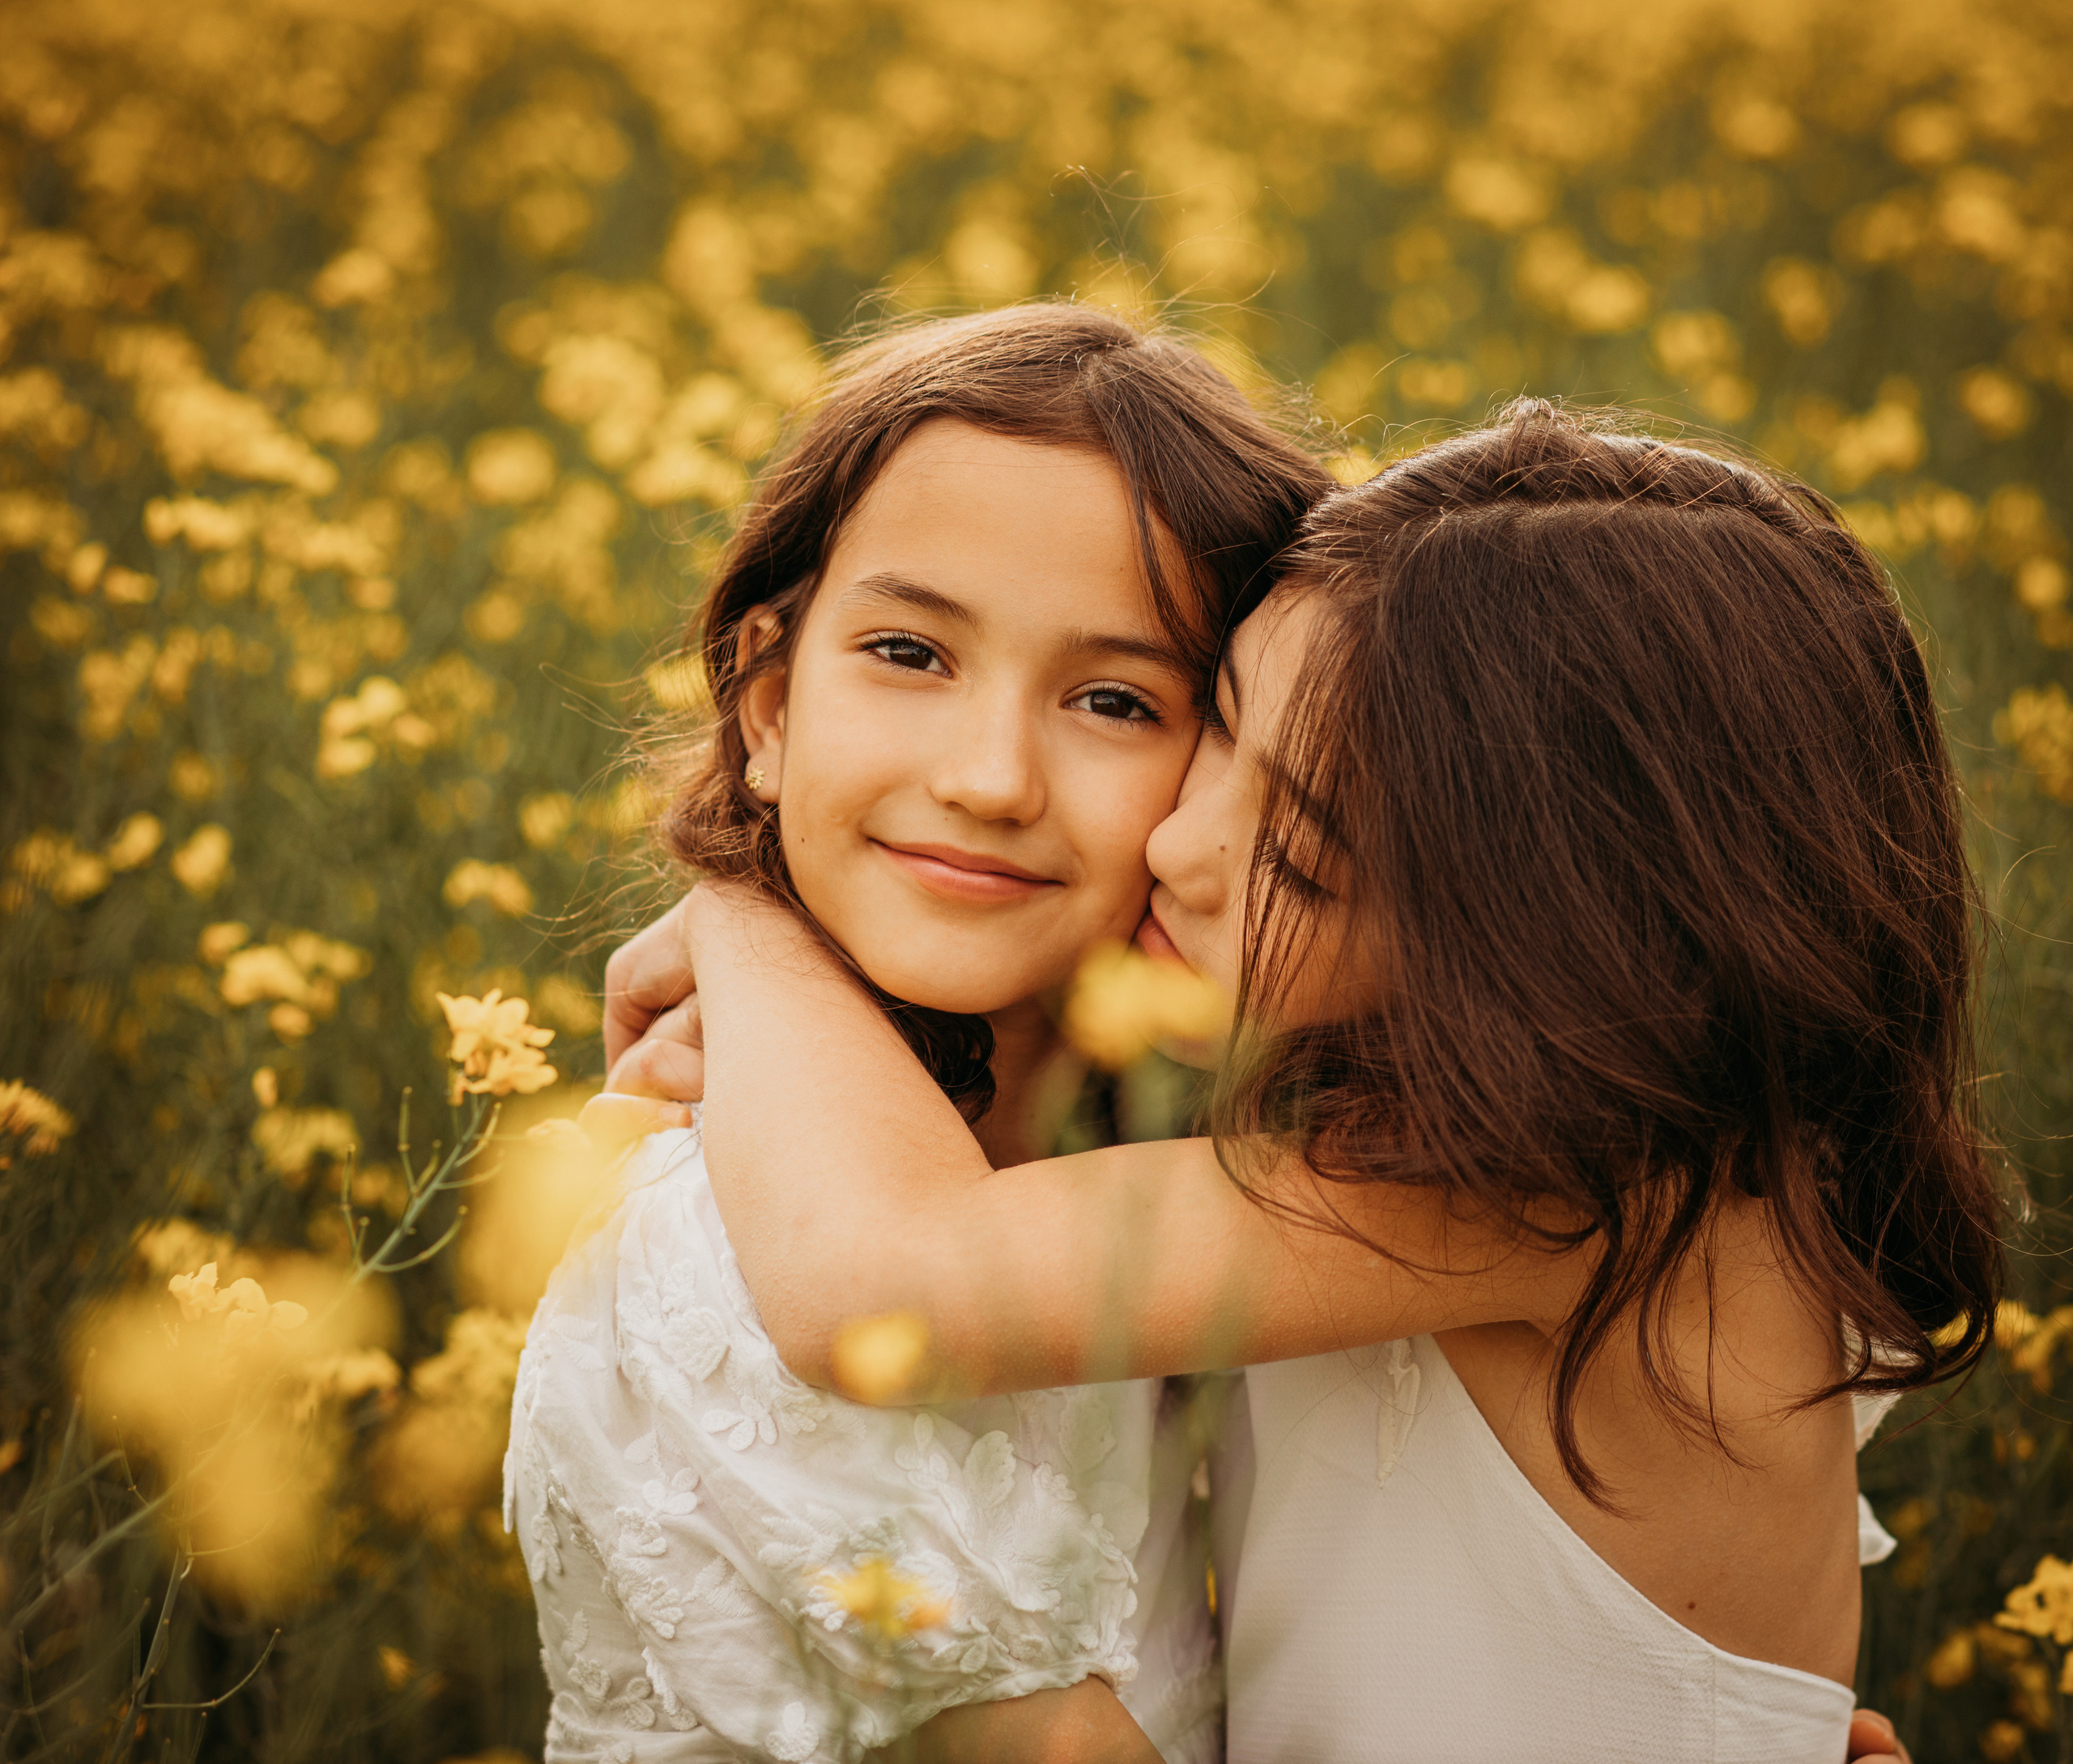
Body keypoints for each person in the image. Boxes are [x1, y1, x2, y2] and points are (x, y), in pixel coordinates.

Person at [602, 403, 2001, 1762]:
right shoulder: (1384, 1106)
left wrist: (747, 908)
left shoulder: (1575, 1196)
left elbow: (884, 1287)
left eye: (1304, 861)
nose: (1181, 850)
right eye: (1217, 731)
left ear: (1553, 966)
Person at [504, 300, 1336, 1762]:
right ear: (767, 708)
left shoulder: (1179, 1154)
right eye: (908, 652)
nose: (991, 778)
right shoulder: (720, 1257)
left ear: (1244, 769)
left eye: (1111, 698)